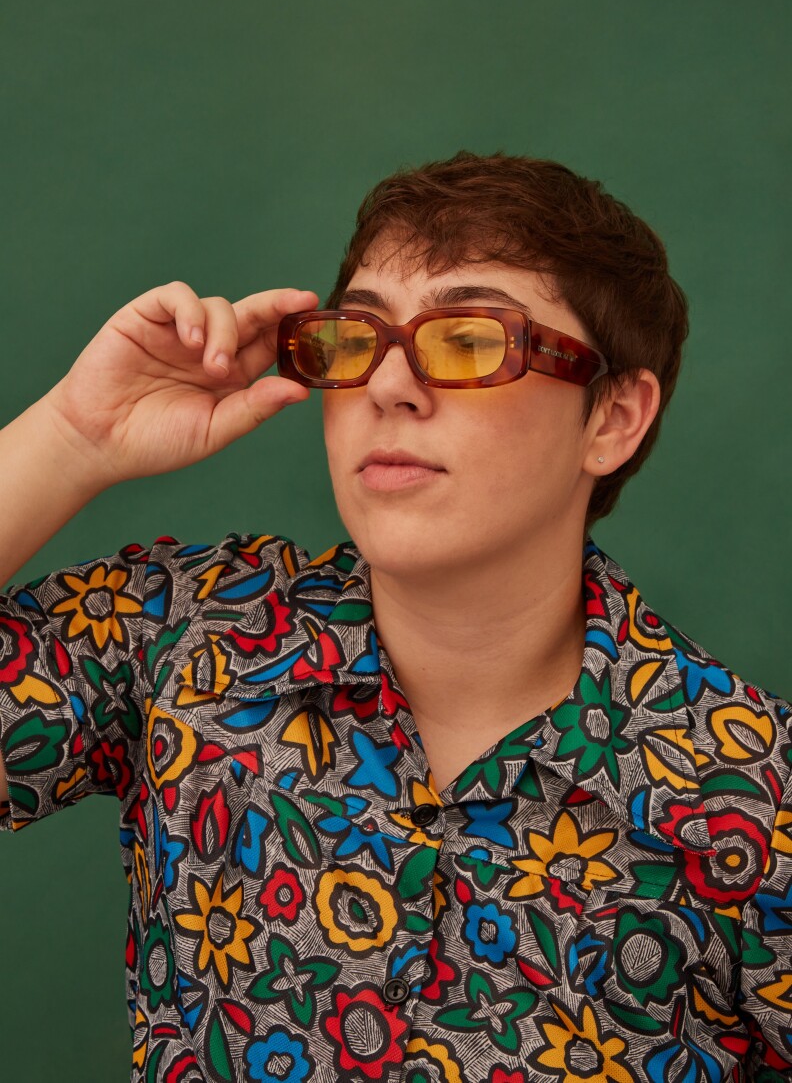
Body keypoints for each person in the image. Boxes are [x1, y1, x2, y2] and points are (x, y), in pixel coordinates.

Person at [0, 151, 789, 1083]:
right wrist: (72, 436)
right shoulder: (186, 639)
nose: (387, 386)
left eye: (467, 339)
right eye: (355, 340)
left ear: (613, 417)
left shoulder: (751, 795)